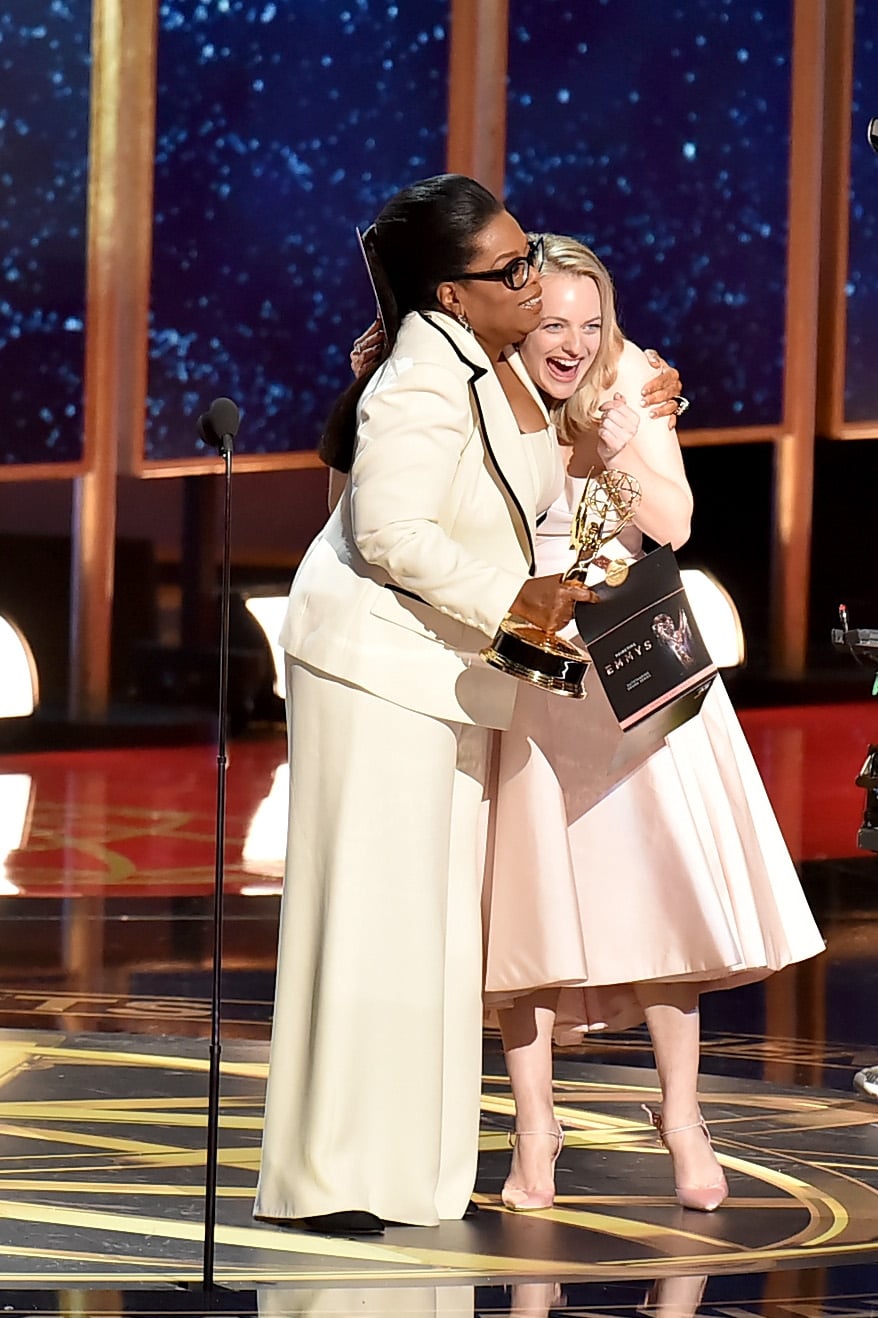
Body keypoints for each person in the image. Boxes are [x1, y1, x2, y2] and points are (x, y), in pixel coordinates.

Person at [253, 176, 595, 1237]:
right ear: (451, 294)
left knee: (426, 932)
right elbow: (390, 532)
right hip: (374, 667)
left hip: (433, 671)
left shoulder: (480, 366)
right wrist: (513, 599)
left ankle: (403, 1172)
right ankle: (332, 1175)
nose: (531, 278)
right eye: (509, 269)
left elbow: (528, 484)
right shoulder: (421, 376)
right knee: (369, 925)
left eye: (526, 254)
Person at [482, 234, 825, 1213]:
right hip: (533, 643)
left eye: (590, 322)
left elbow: (671, 522)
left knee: (660, 894)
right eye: (554, 321)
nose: (574, 340)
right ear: (518, 316)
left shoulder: (633, 374)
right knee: (528, 905)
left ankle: (679, 1113)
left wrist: (616, 443)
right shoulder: (487, 388)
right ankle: (534, 1124)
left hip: (630, 654)